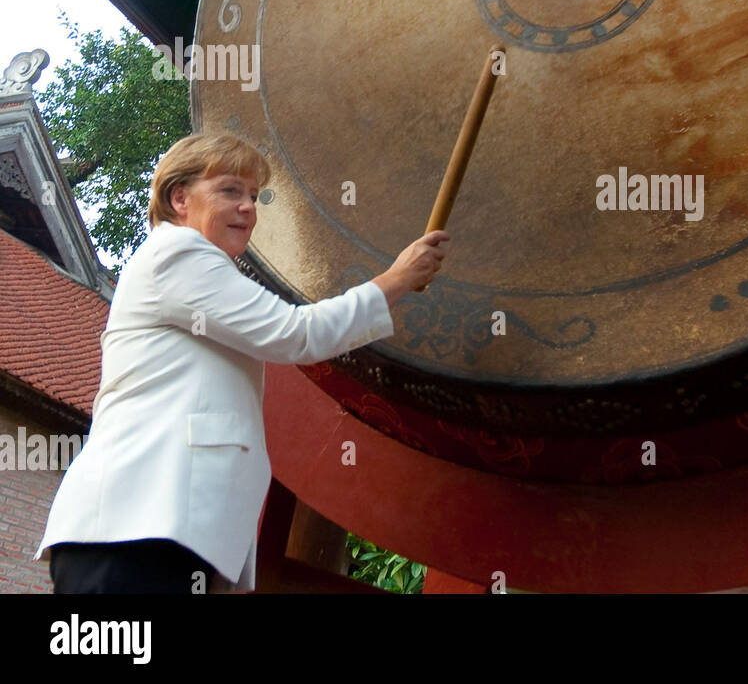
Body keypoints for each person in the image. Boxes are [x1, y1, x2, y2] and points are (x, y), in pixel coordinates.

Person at [33, 133, 447, 594]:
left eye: (253, 196)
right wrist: (396, 280)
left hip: (161, 532)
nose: (249, 207)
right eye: (230, 190)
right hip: (135, 530)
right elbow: (296, 333)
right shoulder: (179, 254)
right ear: (180, 198)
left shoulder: (195, 269)